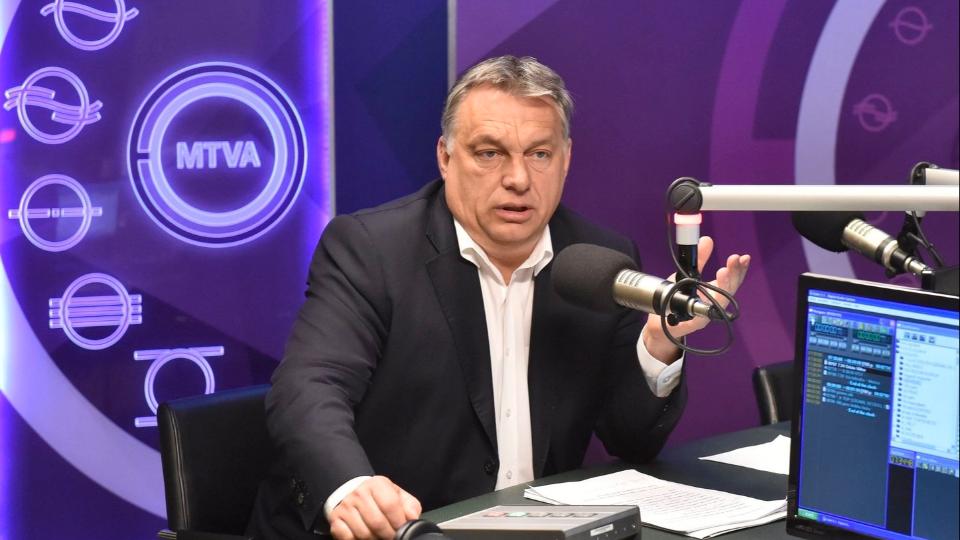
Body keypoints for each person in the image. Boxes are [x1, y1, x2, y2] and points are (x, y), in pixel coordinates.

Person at [247, 55, 750, 540]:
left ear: (566, 160)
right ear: (446, 158)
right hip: (403, 531)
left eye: (539, 154)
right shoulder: (372, 250)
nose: (518, 179)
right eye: (489, 153)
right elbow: (308, 387)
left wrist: (659, 345)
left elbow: (632, 440)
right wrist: (352, 488)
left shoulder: (600, 263)